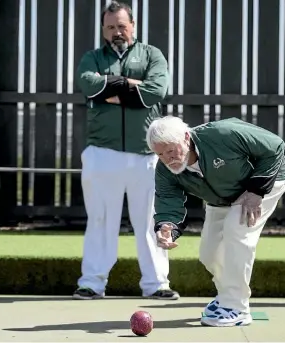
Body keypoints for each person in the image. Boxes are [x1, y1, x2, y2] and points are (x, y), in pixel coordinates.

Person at [72, 1, 179, 301]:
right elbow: (88, 85)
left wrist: (114, 91)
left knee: (149, 222)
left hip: (146, 155)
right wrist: (128, 84)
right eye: (110, 27)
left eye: (121, 26)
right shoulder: (92, 57)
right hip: (101, 153)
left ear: (132, 25)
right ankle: (92, 282)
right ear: (103, 30)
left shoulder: (152, 55)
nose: (117, 32)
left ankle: (157, 284)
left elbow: (156, 90)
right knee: (100, 221)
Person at [146, 116, 285, 327]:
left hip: (264, 182)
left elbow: (275, 146)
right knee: (209, 253)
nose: (168, 159)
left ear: (186, 137)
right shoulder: (165, 169)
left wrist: (256, 191)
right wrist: (168, 226)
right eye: (160, 154)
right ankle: (226, 296)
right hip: (220, 198)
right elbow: (168, 199)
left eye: (170, 151)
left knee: (236, 230)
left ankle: (237, 307)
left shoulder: (222, 134)